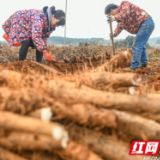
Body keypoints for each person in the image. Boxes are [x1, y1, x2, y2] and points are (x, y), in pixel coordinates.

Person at [105, 1, 155, 71]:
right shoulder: (120, 18)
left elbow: (126, 13)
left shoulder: (124, 4)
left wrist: (114, 18)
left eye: (110, 15)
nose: (111, 16)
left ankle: (134, 67)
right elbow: (119, 27)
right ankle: (144, 65)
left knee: (137, 45)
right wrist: (114, 33)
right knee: (141, 45)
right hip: (143, 26)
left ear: (111, 10)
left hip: (146, 22)